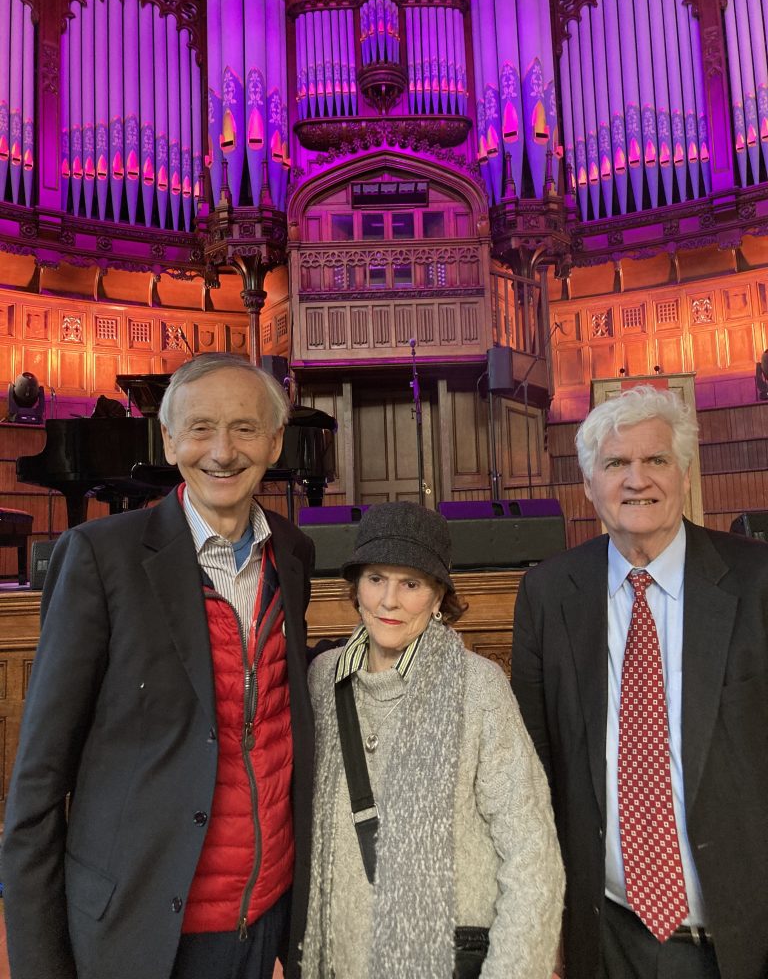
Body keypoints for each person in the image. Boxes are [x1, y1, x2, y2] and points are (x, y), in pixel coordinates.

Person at [2, 353, 316, 979]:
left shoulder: (293, 551)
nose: (222, 451)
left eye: (245, 428)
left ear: (276, 440)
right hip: (140, 928)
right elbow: (37, 786)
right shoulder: (99, 557)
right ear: (169, 440)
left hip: (261, 917)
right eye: (199, 428)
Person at [512, 384, 768, 979]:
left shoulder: (757, 583)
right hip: (605, 937)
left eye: (655, 460)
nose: (637, 479)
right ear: (589, 486)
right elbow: (534, 771)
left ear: (684, 474)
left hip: (739, 939)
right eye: (616, 464)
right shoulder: (549, 594)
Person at [301, 500, 564, 979]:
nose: (389, 600)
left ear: (439, 596)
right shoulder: (323, 681)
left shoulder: (478, 686)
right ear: (355, 587)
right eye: (376, 578)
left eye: (411, 583)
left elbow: (532, 854)